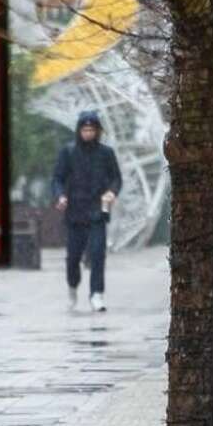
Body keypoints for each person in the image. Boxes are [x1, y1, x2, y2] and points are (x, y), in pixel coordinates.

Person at [53, 110, 123, 311]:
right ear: (79, 130)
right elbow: (57, 178)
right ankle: (72, 287)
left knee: (97, 254)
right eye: (85, 129)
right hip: (75, 212)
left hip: (97, 212)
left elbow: (116, 178)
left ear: (98, 131)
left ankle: (97, 294)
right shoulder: (68, 152)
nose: (88, 133)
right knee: (73, 258)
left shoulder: (106, 153)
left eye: (92, 129)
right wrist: (60, 196)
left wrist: (111, 192)